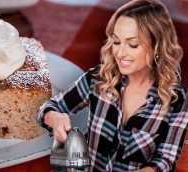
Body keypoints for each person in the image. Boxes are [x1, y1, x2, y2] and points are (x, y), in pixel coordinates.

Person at [37, 0, 188, 171]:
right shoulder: (98, 79)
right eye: (116, 42)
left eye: (133, 44)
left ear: (158, 47)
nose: (120, 53)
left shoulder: (177, 99)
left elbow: (165, 160)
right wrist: (54, 118)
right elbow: (49, 107)